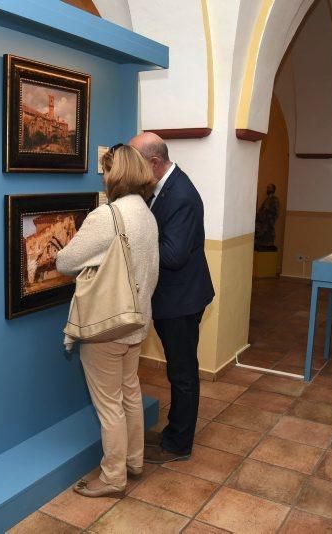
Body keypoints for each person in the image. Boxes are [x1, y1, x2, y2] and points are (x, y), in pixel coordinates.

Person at [56, 145, 159, 497]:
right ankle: (134, 460)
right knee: (130, 392)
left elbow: (64, 262)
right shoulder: (146, 213)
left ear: (115, 174)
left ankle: (113, 477)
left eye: (105, 169)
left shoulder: (107, 216)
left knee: (109, 405)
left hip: (107, 326)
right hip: (137, 322)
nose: (101, 175)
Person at [127, 132, 215, 464]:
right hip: (173, 297)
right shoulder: (161, 188)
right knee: (179, 370)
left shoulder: (181, 194)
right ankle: (173, 432)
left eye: (136, 164)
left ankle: (178, 443)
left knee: (182, 372)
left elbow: (174, 254)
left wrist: (131, 243)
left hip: (182, 300)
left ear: (153, 163)